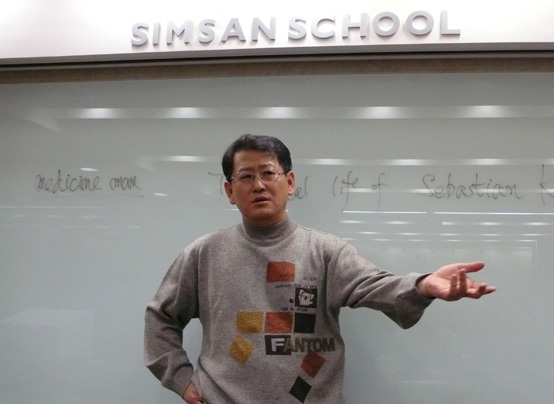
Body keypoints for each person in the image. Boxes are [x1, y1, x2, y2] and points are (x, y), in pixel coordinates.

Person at [144, 134, 496, 404]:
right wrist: (182, 380)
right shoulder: (204, 253)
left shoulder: (326, 251)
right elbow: (160, 317)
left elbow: (375, 285)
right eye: (246, 176)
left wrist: (423, 285)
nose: (259, 185)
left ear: (290, 182)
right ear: (229, 191)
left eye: (268, 173)